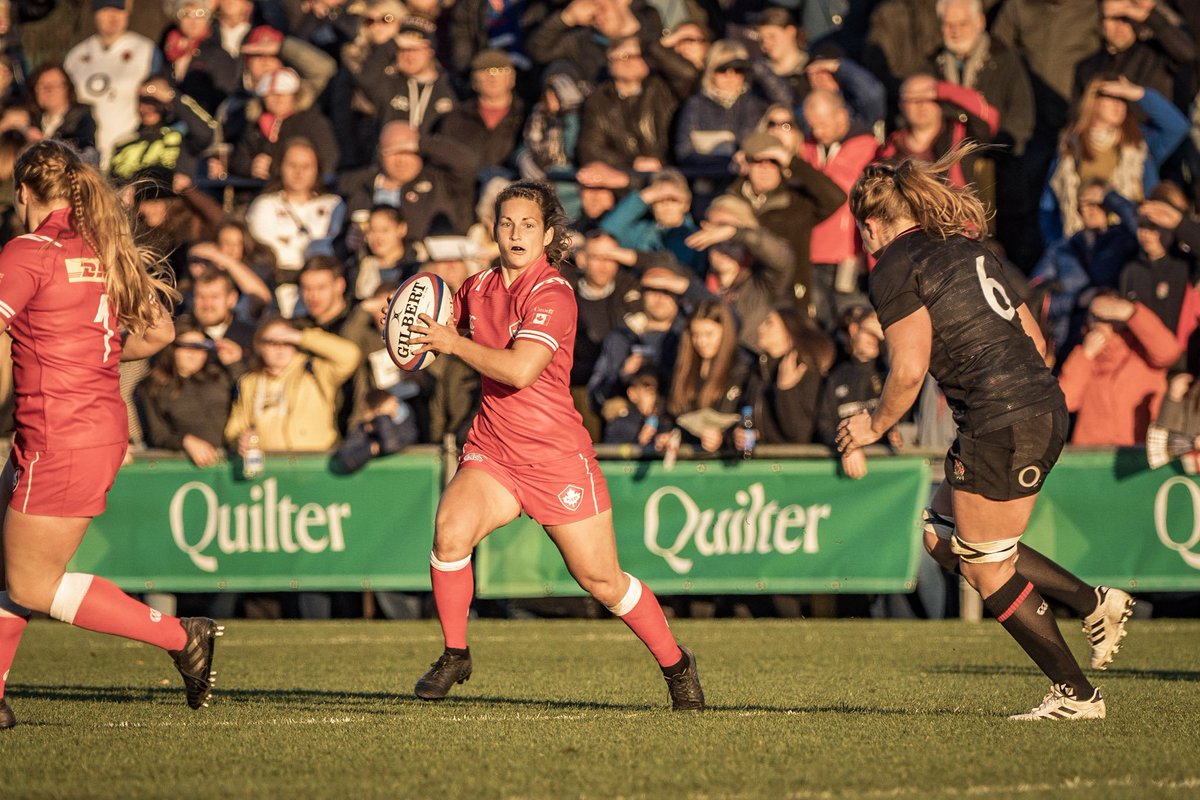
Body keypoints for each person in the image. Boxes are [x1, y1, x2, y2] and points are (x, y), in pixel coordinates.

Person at [836, 144, 1134, 720]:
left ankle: (1077, 694)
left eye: (862, 234)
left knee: (982, 562)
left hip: (1003, 419)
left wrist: (872, 424)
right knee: (941, 535)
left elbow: (908, 366)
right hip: (1035, 407)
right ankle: (1093, 601)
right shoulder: (962, 247)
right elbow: (1037, 340)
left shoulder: (895, 265)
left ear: (871, 225)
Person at [406, 179, 704, 710]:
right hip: (493, 450)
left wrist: (452, 342)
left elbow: (521, 370)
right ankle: (455, 652)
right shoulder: (477, 287)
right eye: (506, 223)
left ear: (547, 234)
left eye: (528, 225)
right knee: (450, 534)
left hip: (555, 457)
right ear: (494, 230)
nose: (516, 233)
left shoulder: (554, 293)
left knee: (602, 580)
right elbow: (432, 325)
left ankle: (677, 664)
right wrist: (407, 322)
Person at [0, 140, 221, 730]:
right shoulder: (103, 247)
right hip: (89, 426)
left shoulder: (28, 251)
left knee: (30, 579)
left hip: (58, 432)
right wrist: (90, 356)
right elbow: (159, 334)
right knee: (10, 562)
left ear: (23, 191)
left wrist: (64, 357)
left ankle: (181, 636)